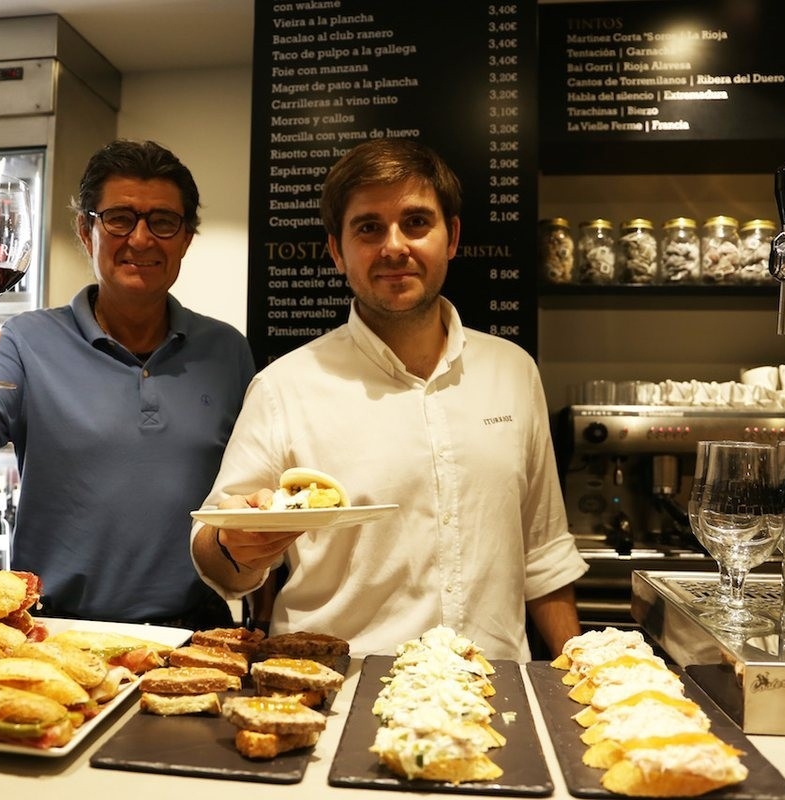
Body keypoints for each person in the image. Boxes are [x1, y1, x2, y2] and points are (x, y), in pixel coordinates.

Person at [191, 138, 587, 661]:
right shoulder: (284, 387)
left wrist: (583, 677)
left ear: (452, 238)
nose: (394, 246)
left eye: (416, 222)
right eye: (368, 227)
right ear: (337, 250)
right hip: (338, 691)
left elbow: (543, 553)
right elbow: (216, 552)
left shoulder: (512, 372)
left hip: (490, 695)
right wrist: (234, 546)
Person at [0, 139, 255, 628]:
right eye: (119, 219)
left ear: (185, 239)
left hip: (197, 632)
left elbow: (253, 503)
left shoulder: (227, 351)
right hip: (57, 631)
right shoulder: (27, 341)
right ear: (86, 232)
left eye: (163, 221)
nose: (140, 239)